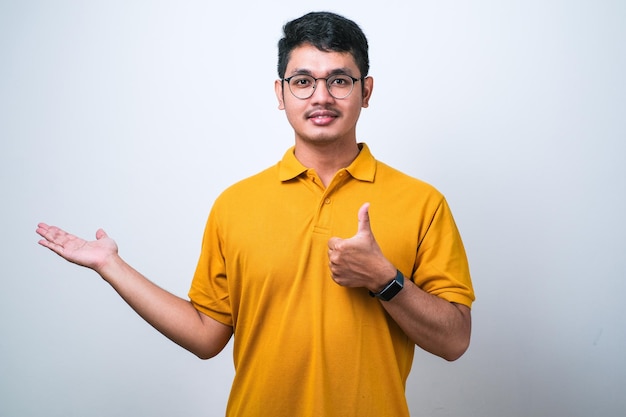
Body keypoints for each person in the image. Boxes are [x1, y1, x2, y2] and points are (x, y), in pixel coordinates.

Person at [37, 11, 475, 417]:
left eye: (339, 80)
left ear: (367, 90)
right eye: (302, 81)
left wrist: (385, 279)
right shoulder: (236, 204)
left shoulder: (422, 202)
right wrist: (111, 266)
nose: (321, 96)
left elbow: (455, 341)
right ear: (280, 94)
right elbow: (206, 335)